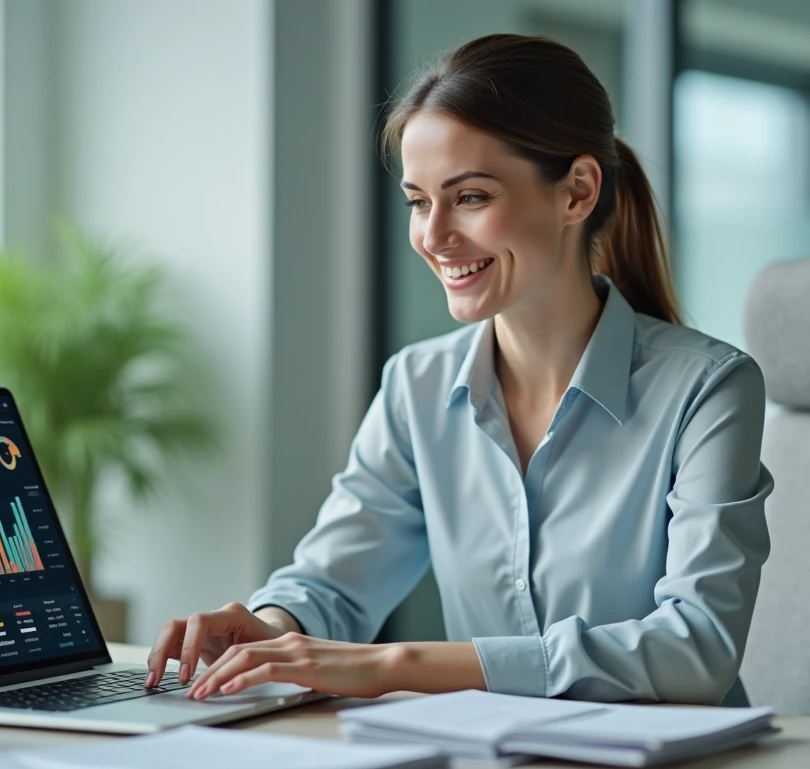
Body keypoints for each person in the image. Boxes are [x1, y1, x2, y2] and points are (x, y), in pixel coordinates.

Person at [145, 33, 773, 705]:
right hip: (489, 766)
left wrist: (395, 665)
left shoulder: (708, 389)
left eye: (470, 197)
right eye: (419, 200)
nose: (434, 235)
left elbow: (695, 648)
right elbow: (333, 583)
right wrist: (269, 630)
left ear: (577, 193)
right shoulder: (417, 387)